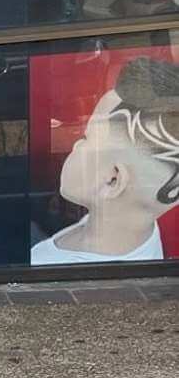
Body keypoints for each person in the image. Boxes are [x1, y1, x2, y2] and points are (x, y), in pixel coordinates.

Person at [32, 56, 179, 265]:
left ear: (112, 180)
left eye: (86, 137)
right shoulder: (138, 231)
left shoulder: (51, 268)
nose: (76, 144)